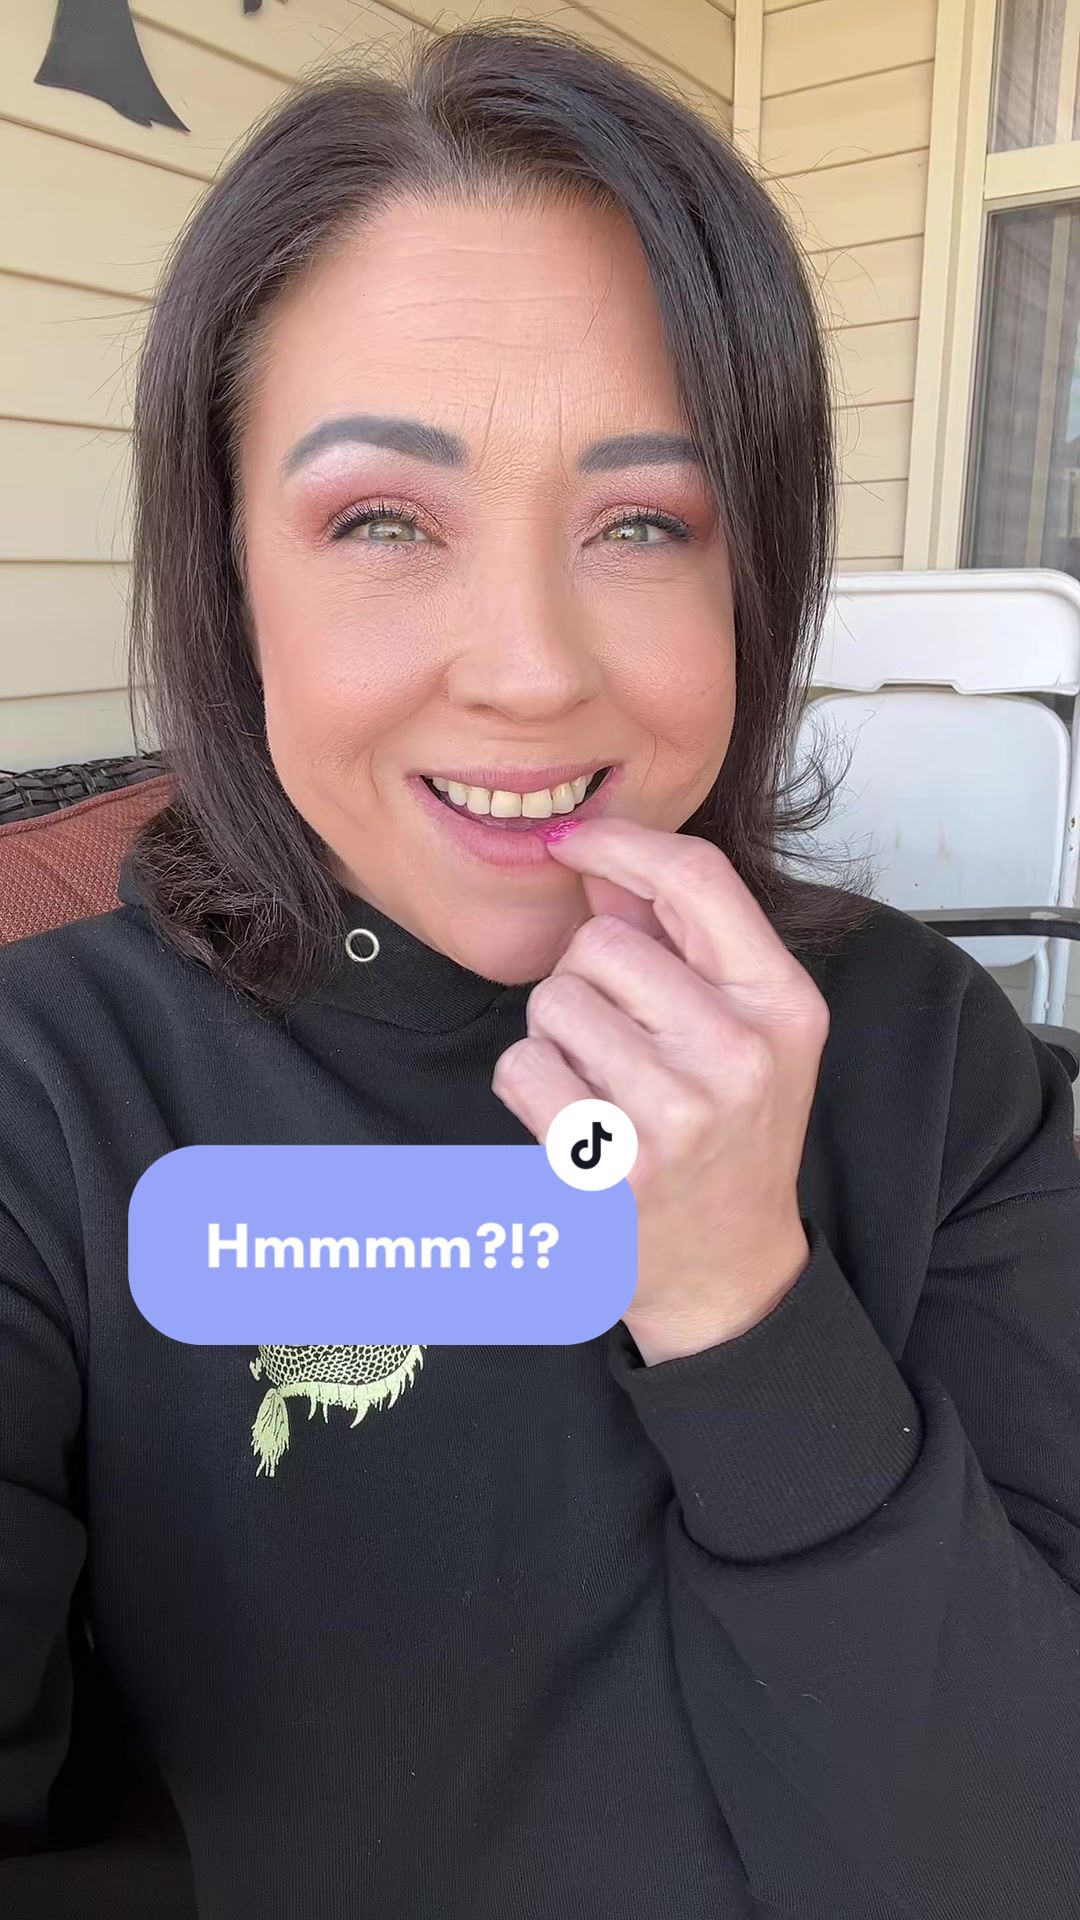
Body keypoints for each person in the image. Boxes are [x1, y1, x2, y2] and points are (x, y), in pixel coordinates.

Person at [1, 22, 1078, 1920]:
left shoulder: (939, 1063)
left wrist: (741, 1301)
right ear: (228, 568)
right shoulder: (48, 1100)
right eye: (382, 521)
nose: (528, 670)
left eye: (643, 523)